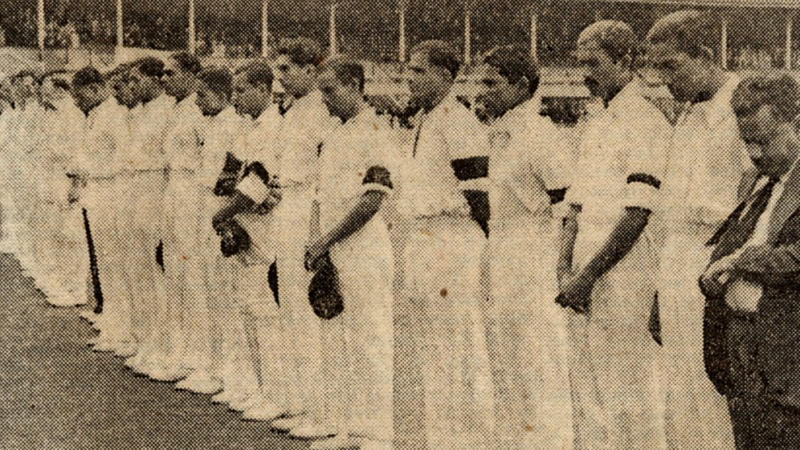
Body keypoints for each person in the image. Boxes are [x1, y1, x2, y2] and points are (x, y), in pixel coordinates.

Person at [557, 21, 670, 449]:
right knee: (588, 388)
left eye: (593, 63)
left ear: (626, 62)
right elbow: (576, 206)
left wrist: (587, 274)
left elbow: (638, 211)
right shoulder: (597, 120)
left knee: (631, 391)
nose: (584, 73)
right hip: (583, 271)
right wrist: (564, 267)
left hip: (625, 269)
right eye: (579, 63)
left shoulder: (645, 119)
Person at [645, 10, 743, 448]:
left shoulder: (743, 108)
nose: (665, 79)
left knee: (717, 388)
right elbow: (668, 210)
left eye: (672, 66)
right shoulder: (686, 116)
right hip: (675, 261)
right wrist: (657, 290)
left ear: (705, 56)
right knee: (680, 389)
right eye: (657, 68)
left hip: (720, 260)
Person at [471, 45, 574, 449]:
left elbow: (565, 204)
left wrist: (558, 264)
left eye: (491, 83)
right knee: (505, 352)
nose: (482, 91)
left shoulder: (540, 134)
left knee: (539, 356)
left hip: (534, 251)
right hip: (503, 247)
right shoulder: (502, 132)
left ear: (520, 85)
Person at [396, 40, 494, 449]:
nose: (409, 80)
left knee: (458, 347)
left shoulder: (458, 121)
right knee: (431, 348)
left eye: (418, 72)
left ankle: (468, 441)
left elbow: (480, 198)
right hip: (424, 238)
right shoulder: (425, 119)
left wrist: (475, 249)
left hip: (452, 239)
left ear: (444, 76)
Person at [298, 56, 396, 450]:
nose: (325, 99)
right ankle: (348, 428)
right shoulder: (335, 134)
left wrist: (327, 239)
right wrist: (316, 241)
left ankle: (377, 434)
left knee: (370, 340)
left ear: (355, 86)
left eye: (331, 90)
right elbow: (320, 198)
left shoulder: (376, 129)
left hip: (365, 247)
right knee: (337, 337)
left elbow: (373, 198)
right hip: (333, 247)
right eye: (321, 91)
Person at [699, 73, 800, 449]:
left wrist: (742, 262)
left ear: (796, 123)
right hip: (740, 346)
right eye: (748, 143)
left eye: (764, 140)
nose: (755, 154)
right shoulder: (755, 182)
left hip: (784, 350)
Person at [266, 37, 340, 436]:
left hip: (307, 208)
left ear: (311, 70)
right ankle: (302, 402)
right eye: (277, 70)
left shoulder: (320, 113)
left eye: (287, 69)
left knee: (310, 312)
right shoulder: (292, 111)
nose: (280, 77)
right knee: (291, 307)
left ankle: (325, 413)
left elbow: (323, 176)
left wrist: (316, 231)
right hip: (286, 204)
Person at [175, 67, 242, 395]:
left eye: (203, 94)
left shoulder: (232, 124)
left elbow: (228, 177)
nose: (197, 100)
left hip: (220, 207)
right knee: (206, 289)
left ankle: (225, 371)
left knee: (221, 293)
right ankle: (212, 365)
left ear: (222, 95)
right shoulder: (211, 123)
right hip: (204, 205)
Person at [225, 59, 285, 419]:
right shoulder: (248, 127)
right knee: (247, 304)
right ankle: (261, 387)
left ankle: (275, 392)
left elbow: (259, 184)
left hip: (265, 226)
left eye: (242, 90)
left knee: (263, 308)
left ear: (264, 90)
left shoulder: (272, 126)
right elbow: (230, 177)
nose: (236, 97)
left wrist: (224, 213)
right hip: (247, 222)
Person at [70, 66, 134, 354]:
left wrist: (85, 169)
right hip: (95, 190)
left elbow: (122, 160)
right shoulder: (95, 116)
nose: (77, 102)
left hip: (110, 190)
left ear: (96, 88)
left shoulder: (114, 115)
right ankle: (112, 325)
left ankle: (122, 330)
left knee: (114, 263)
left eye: (81, 95)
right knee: (105, 264)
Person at [118, 57, 174, 377]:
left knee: (157, 275)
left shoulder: (167, 109)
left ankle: (162, 347)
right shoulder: (140, 113)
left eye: (137, 80)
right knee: (140, 273)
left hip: (156, 190)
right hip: (137, 188)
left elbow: (168, 163)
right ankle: (147, 342)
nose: (133, 87)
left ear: (154, 80)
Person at [159, 52, 207, 381]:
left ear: (191, 74)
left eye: (170, 73)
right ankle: (179, 354)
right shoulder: (175, 109)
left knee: (193, 278)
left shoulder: (199, 110)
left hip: (192, 190)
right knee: (174, 274)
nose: (164, 79)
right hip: (174, 188)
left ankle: (199, 359)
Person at [32, 70, 86, 307]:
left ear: (60, 89)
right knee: (60, 235)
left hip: (67, 179)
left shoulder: (71, 114)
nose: (43, 90)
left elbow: (75, 151)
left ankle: (77, 288)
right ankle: (66, 284)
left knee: (72, 236)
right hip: (54, 180)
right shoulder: (56, 113)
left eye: (47, 86)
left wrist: (74, 182)